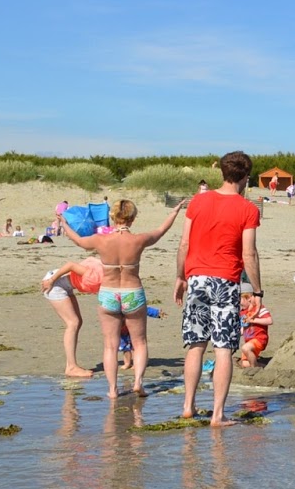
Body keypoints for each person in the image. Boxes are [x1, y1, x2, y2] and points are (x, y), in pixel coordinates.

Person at [60, 197, 184, 398]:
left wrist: (64, 223)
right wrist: (174, 212)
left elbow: (78, 241)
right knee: (140, 342)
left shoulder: (100, 240)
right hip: (132, 292)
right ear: (132, 218)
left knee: (110, 345)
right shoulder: (138, 240)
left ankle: (112, 389)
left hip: (108, 293)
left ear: (113, 217)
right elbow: (161, 230)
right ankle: (138, 383)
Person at [175, 151, 263, 425]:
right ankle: (217, 414)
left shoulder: (198, 201)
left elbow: (184, 244)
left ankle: (188, 405)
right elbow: (249, 253)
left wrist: (180, 277)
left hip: (196, 278)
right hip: (225, 281)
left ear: (223, 173)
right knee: (223, 348)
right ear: (245, 177)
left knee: (195, 345)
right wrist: (257, 291)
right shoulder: (248, 209)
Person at [39, 258, 103, 379]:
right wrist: (51, 281)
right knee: (73, 323)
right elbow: (70, 265)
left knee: (77, 322)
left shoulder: (108, 276)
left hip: (65, 285)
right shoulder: (96, 274)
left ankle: (71, 365)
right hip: (54, 284)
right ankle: (71, 367)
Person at [237, 290, 273, 367]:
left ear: (249, 298)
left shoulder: (258, 309)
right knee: (244, 363)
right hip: (249, 341)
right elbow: (244, 327)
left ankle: (253, 369)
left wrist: (253, 320)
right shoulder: (242, 312)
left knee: (245, 348)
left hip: (259, 338)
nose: (239, 303)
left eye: (240, 300)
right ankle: (261, 365)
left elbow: (269, 321)